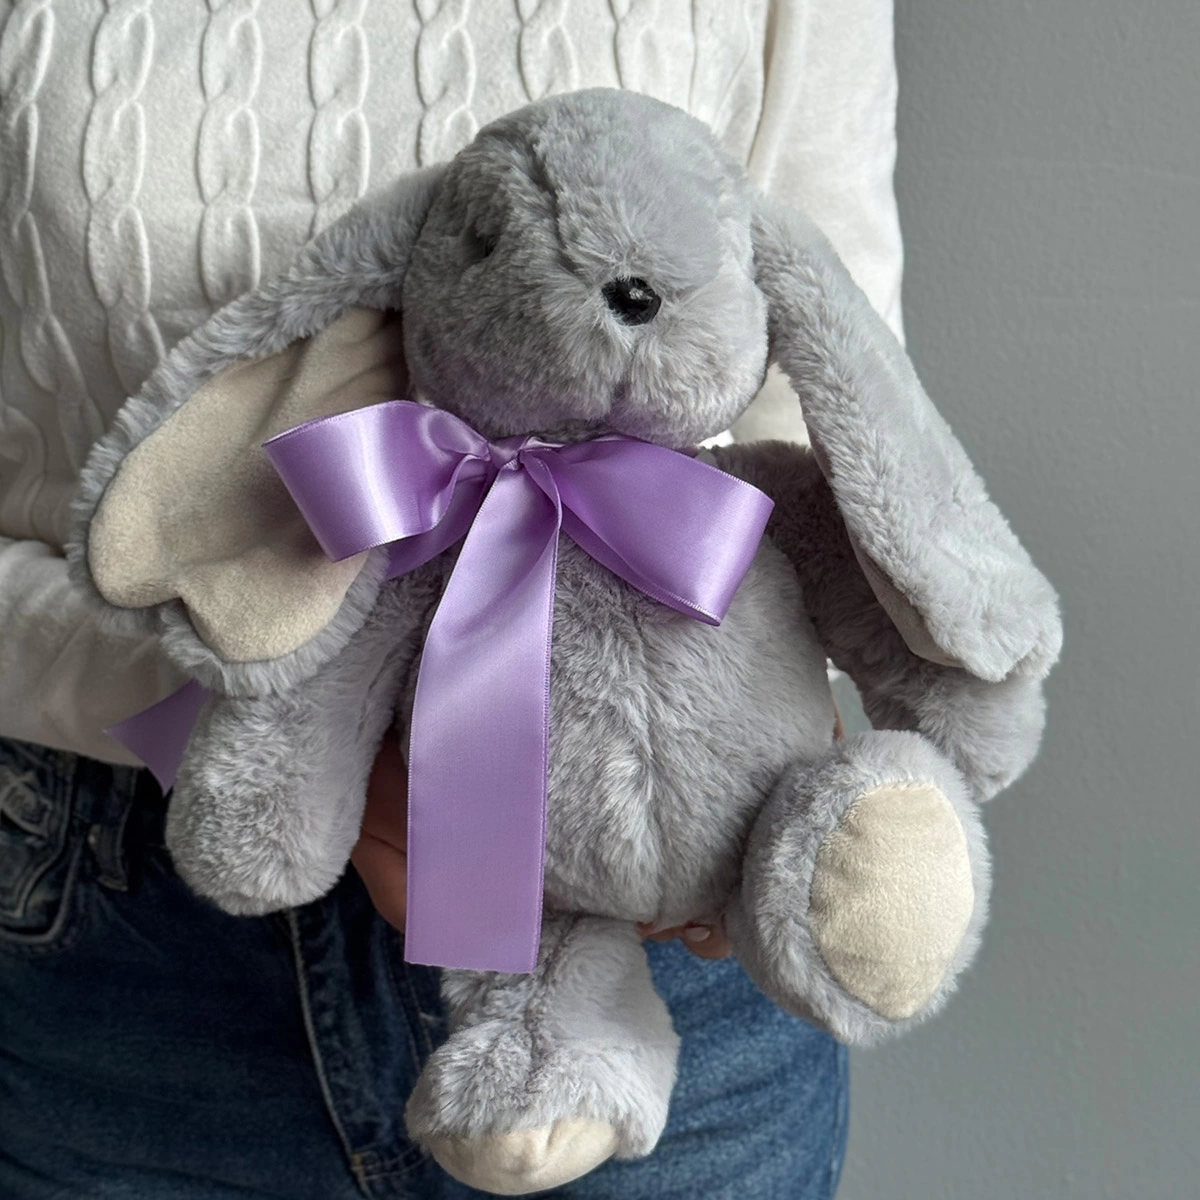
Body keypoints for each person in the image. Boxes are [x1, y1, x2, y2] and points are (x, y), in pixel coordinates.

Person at [1, 3, 905, 1195]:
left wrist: (744, 744)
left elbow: (834, 398)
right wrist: (286, 709)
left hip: (675, 875)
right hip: (124, 942)